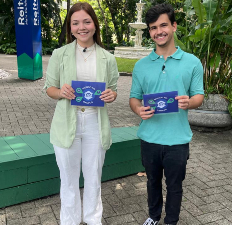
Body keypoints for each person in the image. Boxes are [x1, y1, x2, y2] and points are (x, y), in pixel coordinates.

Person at [43, 2, 119, 225]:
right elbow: (49, 88)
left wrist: (111, 96)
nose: (81, 27)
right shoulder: (60, 54)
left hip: (95, 122)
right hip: (68, 122)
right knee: (68, 179)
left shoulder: (108, 58)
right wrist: (61, 92)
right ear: (70, 27)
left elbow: (113, 90)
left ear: (95, 24)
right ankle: (70, 221)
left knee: (94, 178)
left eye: (87, 21)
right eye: (75, 23)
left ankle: (94, 220)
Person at [129, 3, 204, 225]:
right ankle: (153, 217)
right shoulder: (141, 66)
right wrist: (138, 109)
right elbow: (134, 98)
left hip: (177, 139)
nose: (158, 32)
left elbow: (199, 96)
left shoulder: (192, 62)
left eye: (163, 25)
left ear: (173, 26)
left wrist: (188, 102)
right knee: (152, 182)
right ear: (149, 31)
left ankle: (171, 221)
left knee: (174, 185)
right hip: (149, 137)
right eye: (153, 28)